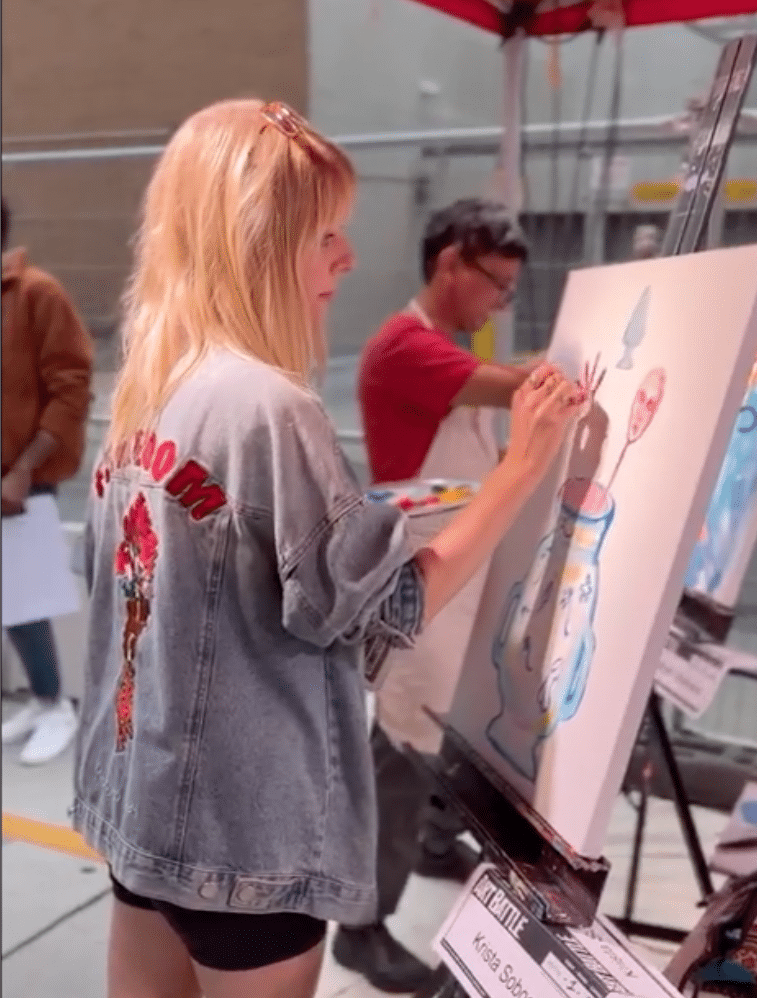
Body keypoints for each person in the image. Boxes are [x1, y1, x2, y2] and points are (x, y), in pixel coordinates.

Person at [72, 98, 581, 998]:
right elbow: (391, 610)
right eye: (325, 235)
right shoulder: (269, 407)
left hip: (141, 806)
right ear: (257, 243)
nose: (347, 258)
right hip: (244, 831)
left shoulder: (150, 384)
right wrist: (523, 470)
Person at [337, 199, 542, 992]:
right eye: (495, 284)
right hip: (418, 586)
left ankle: (428, 844)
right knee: (400, 752)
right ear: (450, 262)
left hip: (453, 577)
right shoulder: (405, 349)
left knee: (437, 738)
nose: (499, 304)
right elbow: (515, 393)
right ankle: (360, 927)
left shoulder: (438, 351)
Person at [1, 196, 94, 765]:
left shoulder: (36, 293)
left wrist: (23, 470)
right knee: (8, 596)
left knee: (24, 594)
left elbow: (72, 385)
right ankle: (41, 700)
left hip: (20, 476)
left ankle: (56, 704)